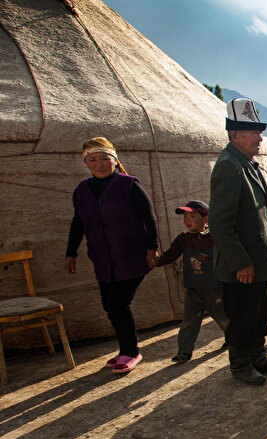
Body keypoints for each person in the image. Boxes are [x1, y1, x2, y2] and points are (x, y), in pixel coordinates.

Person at [208, 98, 267, 385]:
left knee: (259, 312)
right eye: (253, 132)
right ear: (234, 135)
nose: (259, 137)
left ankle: (258, 357)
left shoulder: (247, 163)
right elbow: (219, 223)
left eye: (259, 132)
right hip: (241, 263)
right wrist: (240, 262)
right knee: (242, 315)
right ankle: (241, 364)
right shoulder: (229, 166)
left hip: (258, 259)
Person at [65, 137, 158, 374]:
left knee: (118, 303)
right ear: (86, 164)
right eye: (93, 160)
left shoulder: (129, 185)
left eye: (105, 158)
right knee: (110, 305)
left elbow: (149, 217)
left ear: (115, 160)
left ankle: (130, 352)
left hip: (132, 256)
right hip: (103, 259)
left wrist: (152, 248)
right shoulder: (82, 190)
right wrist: (70, 253)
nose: (100, 164)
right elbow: (78, 223)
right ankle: (126, 349)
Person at [151, 200, 229, 363]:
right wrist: (156, 261)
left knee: (224, 318)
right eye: (185, 217)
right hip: (193, 288)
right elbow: (171, 254)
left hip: (214, 287)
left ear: (206, 219)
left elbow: (228, 256)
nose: (187, 220)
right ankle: (184, 352)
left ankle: (233, 340)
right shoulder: (184, 239)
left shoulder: (215, 237)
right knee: (189, 321)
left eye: (192, 216)